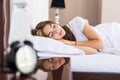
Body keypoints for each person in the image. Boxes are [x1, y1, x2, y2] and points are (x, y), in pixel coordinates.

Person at [31, 16, 120, 71]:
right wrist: (67, 44)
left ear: (55, 23)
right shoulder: (63, 45)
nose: (57, 31)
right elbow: (93, 51)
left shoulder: (76, 23)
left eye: (53, 26)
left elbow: (100, 44)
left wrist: (69, 42)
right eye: (51, 34)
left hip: (113, 33)